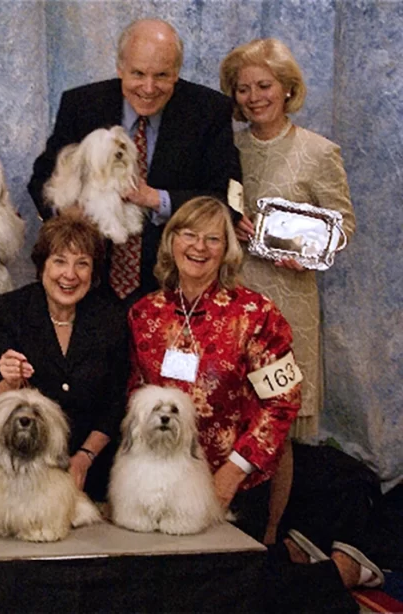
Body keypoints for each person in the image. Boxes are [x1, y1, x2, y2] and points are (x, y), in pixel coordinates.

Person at [128, 197, 377, 603]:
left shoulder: (256, 314)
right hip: (162, 478)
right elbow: (136, 393)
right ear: (170, 241)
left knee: (230, 593)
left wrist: (233, 470)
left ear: (228, 249)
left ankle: (335, 574)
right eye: (189, 234)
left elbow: (282, 402)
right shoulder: (144, 314)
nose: (199, 247)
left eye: (214, 238)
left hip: (236, 482)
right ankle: (299, 556)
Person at [28, 18, 241, 305]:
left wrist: (156, 199)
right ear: (120, 68)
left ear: (177, 72)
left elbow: (224, 199)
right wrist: (69, 212)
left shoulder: (209, 111)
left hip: (174, 285)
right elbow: (41, 178)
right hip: (85, 282)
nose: (149, 88)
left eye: (162, 75)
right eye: (138, 74)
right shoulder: (82, 105)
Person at [219, 38, 356, 439]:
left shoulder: (318, 152)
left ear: (287, 88)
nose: (253, 98)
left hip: (289, 299)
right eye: (243, 89)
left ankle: (277, 506)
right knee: (229, 415)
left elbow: (343, 226)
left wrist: (308, 252)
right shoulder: (227, 147)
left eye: (264, 86)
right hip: (231, 294)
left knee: (277, 428)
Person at [0, 213, 129, 502]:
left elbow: (116, 402)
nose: (69, 275)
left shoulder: (111, 318)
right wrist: (8, 384)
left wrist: (84, 457)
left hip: (91, 478)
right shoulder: (6, 312)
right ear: (42, 263)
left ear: (93, 272)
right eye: (59, 261)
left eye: (81, 263)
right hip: (16, 478)